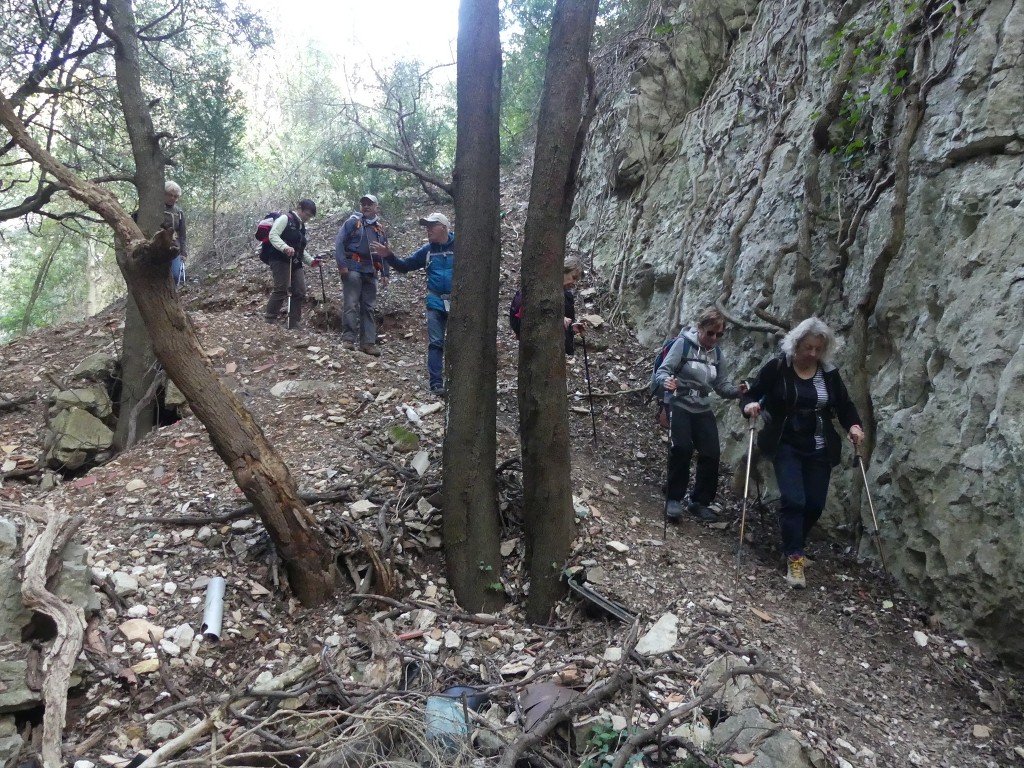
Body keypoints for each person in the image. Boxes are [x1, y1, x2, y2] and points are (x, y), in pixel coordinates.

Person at [740, 317, 865, 589]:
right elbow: (752, 393)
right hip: (786, 442)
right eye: (808, 347)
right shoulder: (778, 367)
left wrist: (854, 425)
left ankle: (792, 542)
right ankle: (795, 557)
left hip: (820, 445)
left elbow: (845, 406)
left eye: (818, 349)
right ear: (796, 344)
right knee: (794, 500)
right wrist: (750, 407)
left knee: (814, 505)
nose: (812, 354)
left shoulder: (828, 373)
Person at [653, 307, 747, 524]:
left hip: (703, 407)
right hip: (680, 403)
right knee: (682, 448)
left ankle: (699, 501)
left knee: (711, 453)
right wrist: (667, 382)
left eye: (719, 334)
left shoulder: (717, 354)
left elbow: (721, 384)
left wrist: (737, 391)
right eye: (710, 333)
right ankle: (673, 498)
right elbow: (663, 371)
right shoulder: (683, 344)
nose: (714, 338)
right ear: (700, 328)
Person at [375, 212, 453, 396]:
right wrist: (389, 256)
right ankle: (436, 385)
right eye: (426, 226)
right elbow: (405, 266)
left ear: (443, 227)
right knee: (436, 343)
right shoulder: (427, 251)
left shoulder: (461, 245)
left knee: (459, 343)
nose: (428, 230)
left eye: (431, 226)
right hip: (435, 301)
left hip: (458, 301)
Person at [334, 194, 390, 356]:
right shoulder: (352, 223)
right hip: (352, 267)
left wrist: (385, 272)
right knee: (351, 303)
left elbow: (385, 251)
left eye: (369, 204)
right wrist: (342, 265)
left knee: (369, 307)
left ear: (376, 208)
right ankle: (348, 339)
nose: (365, 206)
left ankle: (367, 343)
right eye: (363, 204)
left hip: (371, 271)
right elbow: (339, 242)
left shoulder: (379, 229)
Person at [509, 256, 586, 354]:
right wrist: (557, 319)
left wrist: (571, 327)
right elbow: (531, 315)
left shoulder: (565, 296)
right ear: (563, 270)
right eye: (573, 277)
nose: (574, 283)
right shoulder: (540, 286)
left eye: (577, 280)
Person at [262, 199, 320, 329]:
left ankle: (294, 322)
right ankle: (269, 319)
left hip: (295, 261)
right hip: (279, 258)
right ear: (299, 208)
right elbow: (273, 235)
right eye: (306, 214)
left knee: (299, 290)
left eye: (310, 216)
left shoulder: (301, 227)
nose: (307, 218)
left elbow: (300, 249)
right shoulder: (285, 218)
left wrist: (311, 261)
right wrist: (285, 247)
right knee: (281, 288)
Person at [163, 181, 187, 286]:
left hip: (174, 248)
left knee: (176, 275)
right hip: (159, 246)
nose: (173, 198)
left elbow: (182, 234)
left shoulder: (179, 213)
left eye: (175, 196)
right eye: (170, 195)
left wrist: (183, 252)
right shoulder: (155, 209)